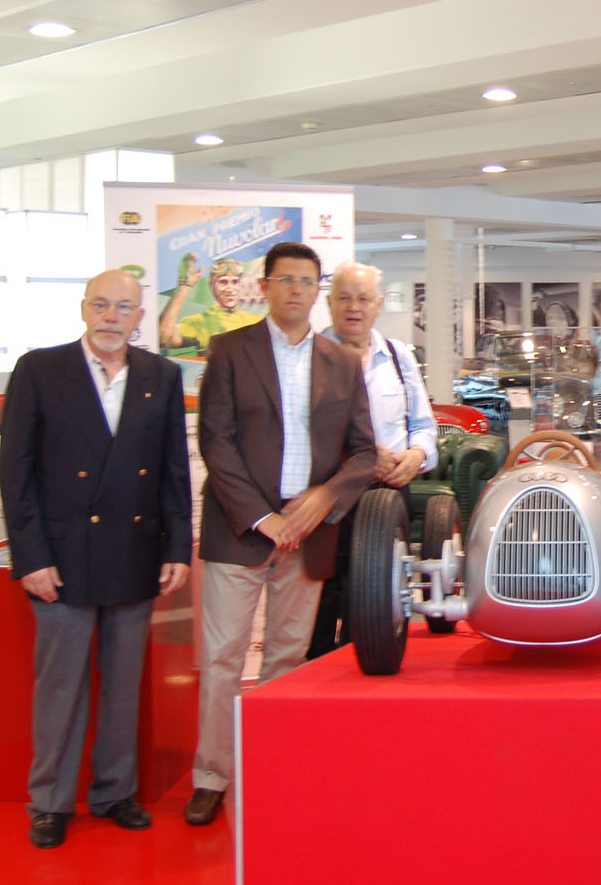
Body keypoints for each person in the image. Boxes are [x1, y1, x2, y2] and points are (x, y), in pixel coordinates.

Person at [184, 243, 385, 827]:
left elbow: (364, 452)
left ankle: (271, 766)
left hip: (309, 533)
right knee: (222, 659)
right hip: (239, 530)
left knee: (288, 658)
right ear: (266, 286)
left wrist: (324, 499)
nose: (296, 290)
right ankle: (213, 776)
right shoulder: (230, 351)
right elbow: (216, 442)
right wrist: (262, 517)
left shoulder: (341, 361)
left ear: (316, 290)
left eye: (306, 281)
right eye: (285, 280)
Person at [0, 269, 192, 849]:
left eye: (123, 307)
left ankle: (114, 792)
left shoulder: (161, 375)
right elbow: (15, 472)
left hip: (134, 551)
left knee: (123, 685)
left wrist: (177, 547)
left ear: (139, 317)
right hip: (59, 558)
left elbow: (173, 471)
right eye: (101, 305)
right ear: (84, 309)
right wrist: (30, 556)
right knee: (61, 686)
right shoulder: (40, 369)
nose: (111, 316)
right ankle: (50, 801)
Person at [307, 262, 437, 659]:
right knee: (324, 592)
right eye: (344, 298)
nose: (354, 307)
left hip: (388, 494)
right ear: (329, 303)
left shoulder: (398, 356)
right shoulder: (309, 356)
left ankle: (366, 671)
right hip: (329, 493)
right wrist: (360, 458)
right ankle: (315, 671)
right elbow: (298, 431)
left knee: (377, 592)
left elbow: (422, 423)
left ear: (378, 305)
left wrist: (417, 454)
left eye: (363, 299)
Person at [158, 256, 258, 354]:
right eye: (223, 282)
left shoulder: (256, 321)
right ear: (212, 286)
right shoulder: (199, 322)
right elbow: (164, 337)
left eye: (235, 282)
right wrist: (184, 285)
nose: (230, 289)